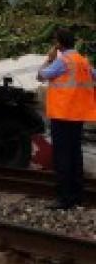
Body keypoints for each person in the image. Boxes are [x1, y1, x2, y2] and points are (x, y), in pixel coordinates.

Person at [37, 28, 96, 209]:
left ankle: (64, 198)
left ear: (59, 44)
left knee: (62, 156)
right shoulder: (83, 61)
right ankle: (78, 196)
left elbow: (41, 75)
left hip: (62, 114)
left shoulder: (62, 61)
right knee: (75, 155)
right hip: (78, 115)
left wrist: (48, 59)